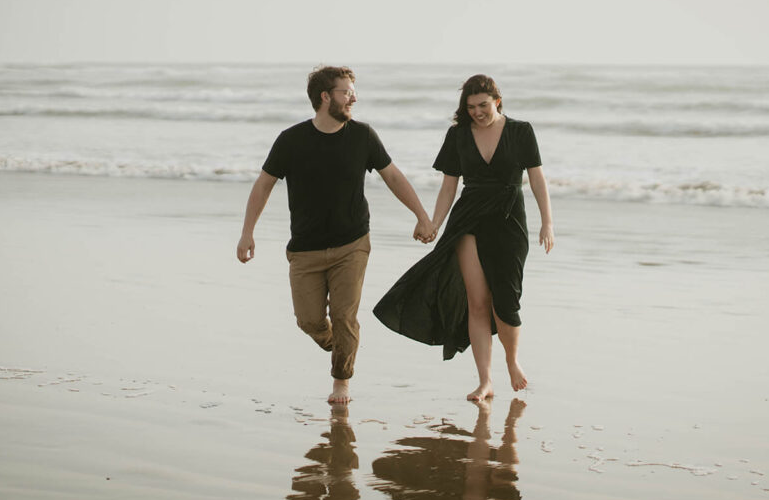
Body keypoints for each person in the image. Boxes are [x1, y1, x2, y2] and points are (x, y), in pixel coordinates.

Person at [237, 66, 436, 404]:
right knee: (309, 321)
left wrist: (421, 215)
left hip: (352, 243)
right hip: (305, 249)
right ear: (325, 97)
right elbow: (264, 185)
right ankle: (341, 344)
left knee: (345, 316)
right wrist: (247, 233)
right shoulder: (291, 140)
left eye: (353, 92)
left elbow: (393, 176)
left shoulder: (363, 136)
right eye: (346, 92)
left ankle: (341, 380)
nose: (353, 98)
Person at [373, 74, 554, 401]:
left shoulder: (521, 131)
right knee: (478, 302)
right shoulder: (458, 135)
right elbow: (449, 186)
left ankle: (512, 361)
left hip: (510, 219)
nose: (477, 112)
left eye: (483, 105)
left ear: (497, 101)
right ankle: (485, 381)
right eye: (471, 107)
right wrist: (433, 223)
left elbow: (537, 180)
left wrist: (547, 223)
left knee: (506, 300)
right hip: (468, 218)